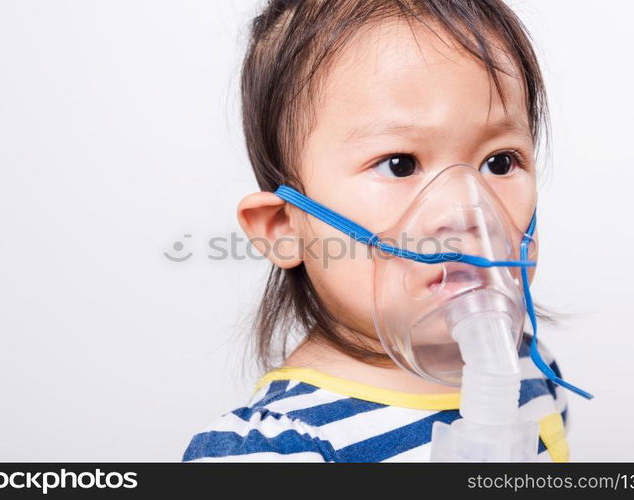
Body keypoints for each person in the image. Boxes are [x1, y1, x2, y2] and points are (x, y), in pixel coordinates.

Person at [183, 0, 571, 462]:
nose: (465, 210)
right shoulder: (274, 452)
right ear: (286, 228)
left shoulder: (532, 372)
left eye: (499, 162)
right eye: (400, 164)